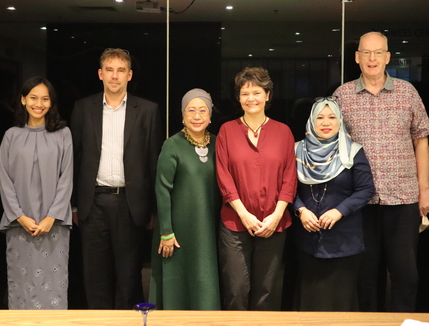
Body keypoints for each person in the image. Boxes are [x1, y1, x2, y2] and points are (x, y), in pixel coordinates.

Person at [333, 31, 429, 312]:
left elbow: (421, 141)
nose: (372, 58)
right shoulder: (342, 96)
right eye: (366, 52)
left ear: (388, 57)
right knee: (365, 276)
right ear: (357, 58)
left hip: (403, 197)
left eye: (378, 52)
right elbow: (331, 144)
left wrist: (424, 190)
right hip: (359, 202)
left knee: (405, 274)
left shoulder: (407, 92)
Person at [70, 48, 162, 309]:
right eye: (109, 70)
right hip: (93, 204)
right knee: (94, 277)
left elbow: (153, 163)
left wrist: (153, 209)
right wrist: (74, 204)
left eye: (121, 70)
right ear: (100, 74)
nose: (115, 75)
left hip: (130, 205)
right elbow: (75, 160)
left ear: (129, 75)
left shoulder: (147, 110)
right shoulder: (83, 108)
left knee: (128, 277)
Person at [216, 66, 297, 311]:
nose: (251, 98)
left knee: (267, 290)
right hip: (235, 223)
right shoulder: (227, 131)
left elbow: (289, 178)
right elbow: (224, 177)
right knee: (236, 289)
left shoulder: (283, 132)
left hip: (274, 223)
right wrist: (244, 214)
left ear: (268, 95)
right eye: (245, 93)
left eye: (257, 92)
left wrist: (276, 215)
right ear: (238, 98)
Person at [293, 97, 375, 311]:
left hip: (344, 241)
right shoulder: (296, 151)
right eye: (319, 117)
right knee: (310, 301)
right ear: (311, 121)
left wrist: (340, 211)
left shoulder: (354, 151)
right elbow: (286, 188)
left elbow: (366, 189)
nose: (326, 122)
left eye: (332, 117)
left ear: (340, 121)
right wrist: (300, 210)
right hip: (307, 241)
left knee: (340, 303)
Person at [0, 77, 73, 309]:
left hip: (54, 225)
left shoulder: (63, 134)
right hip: (19, 225)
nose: (38, 103)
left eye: (44, 99)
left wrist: (52, 217)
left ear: (51, 103)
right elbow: (5, 181)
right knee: (21, 287)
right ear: (22, 100)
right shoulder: (11, 135)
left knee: (54, 288)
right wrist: (20, 217)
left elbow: (66, 179)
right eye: (33, 98)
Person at [149, 88, 221, 310]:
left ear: (210, 115)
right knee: (177, 285)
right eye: (191, 110)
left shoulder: (219, 143)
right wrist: (166, 232)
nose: (197, 116)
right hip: (176, 232)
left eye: (202, 110)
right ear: (182, 115)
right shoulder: (172, 145)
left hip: (208, 229)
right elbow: (162, 189)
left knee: (205, 277)